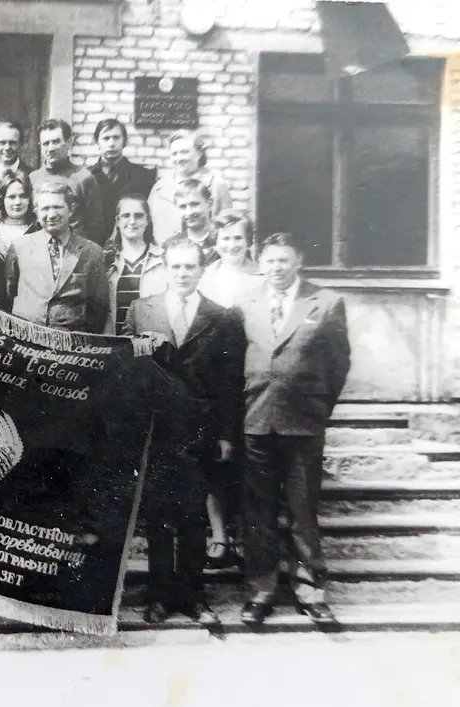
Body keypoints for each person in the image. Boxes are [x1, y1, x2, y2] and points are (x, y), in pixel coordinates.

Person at [124, 236, 244, 627]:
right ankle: (160, 596)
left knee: (193, 517)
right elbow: (127, 372)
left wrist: (226, 434)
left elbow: (230, 382)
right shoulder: (142, 310)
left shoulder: (222, 316)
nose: (182, 273)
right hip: (156, 429)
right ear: (164, 268)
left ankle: (193, 596)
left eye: (189, 266)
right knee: (158, 516)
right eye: (175, 266)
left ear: (201, 269)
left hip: (199, 429)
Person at [235, 233, 351, 628]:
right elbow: (235, 360)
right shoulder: (246, 303)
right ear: (260, 263)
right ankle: (260, 592)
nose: (276, 268)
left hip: (303, 423)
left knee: (303, 511)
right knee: (259, 512)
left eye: (284, 260)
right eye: (269, 261)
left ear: (298, 261)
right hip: (256, 420)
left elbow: (339, 364)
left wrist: (318, 408)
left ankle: (311, 590)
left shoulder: (326, 302)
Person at [5, 182, 108, 333]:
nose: (51, 215)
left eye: (58, 207)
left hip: (71, 344)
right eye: (45, 208)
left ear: (71, 209)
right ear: (36, 212)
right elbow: (9, 292)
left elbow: (99, 306)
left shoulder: (92, 252)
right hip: (26, 338)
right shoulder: (19, 246)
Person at [148, 130, 232, 245]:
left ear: (199, 154)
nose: (179, 158)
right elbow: (148, 224)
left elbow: (227, 226)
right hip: (164, 254)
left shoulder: (216, 185)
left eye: (184, 152)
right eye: (174, 154)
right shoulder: (159, 187)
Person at [29, 119, 105, 245]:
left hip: (75, 252)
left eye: (56, 142)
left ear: (68, 143)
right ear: (40, 147)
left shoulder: (83, 178)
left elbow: (95, 226)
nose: (51, 148)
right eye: (46, 143)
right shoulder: (33, 179)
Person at [102, 194, 167, 335]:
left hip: (152, 344)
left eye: (138, 216)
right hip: (113, 343)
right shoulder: (106, 261)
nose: (132, 221)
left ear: (147, 220)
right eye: (126, 216)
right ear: (117, 221)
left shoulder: (163, 260)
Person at [88, 118, 156, 243]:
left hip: (133, 245)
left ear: (124, 141)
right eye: (106, 138)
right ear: (96, 143)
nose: (111, 143)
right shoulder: (86, 177)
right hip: (94, 246)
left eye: (116, 137)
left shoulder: (144, 176)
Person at [198, 209, 263, 308]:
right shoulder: (204, 276)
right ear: (216, 242)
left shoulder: (262, 277)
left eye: (238, 238)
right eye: (226, 238)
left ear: (247, 241)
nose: (232, 245)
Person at [0, 174, 41, 258]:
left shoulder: (38, 232)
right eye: (12, 197)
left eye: (23, 196)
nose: (18, 202)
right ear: (2, 199)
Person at [173, 179, 220, 265]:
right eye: (183, 207)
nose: (189, 212)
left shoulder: (225, 240)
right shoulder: (172, 244)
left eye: (194, 204)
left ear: (209, 203)